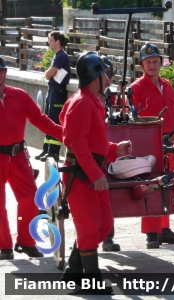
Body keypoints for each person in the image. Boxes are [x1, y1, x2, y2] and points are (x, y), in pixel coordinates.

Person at [59, 51, 131, 294]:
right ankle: (91, 281)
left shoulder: (91, 101)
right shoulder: (82, 103)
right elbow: (78, 145)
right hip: (81, 175)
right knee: (90, 228)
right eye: (104, 75)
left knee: (103, 225)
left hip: (91, 171)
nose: (108, 80)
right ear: (93, 77)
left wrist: (113, 150)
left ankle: (73, 271)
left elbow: (93, 143)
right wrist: (96, 175)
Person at [0, 56, 63, 260]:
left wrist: (64, 134)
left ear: (5, 73)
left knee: (30, 198)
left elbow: (40, 120)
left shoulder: (19, 96)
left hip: (18, 156)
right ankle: (5, 247)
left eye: (0, 71)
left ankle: (26, 242)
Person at [130, 42, 174, 249]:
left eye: (155, 61)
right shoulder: (135, 89)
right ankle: (151, 233)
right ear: (142, 65)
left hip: (169, 144)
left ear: (161, 63)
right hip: (148, 146)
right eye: (148, 62)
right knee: (152, 186)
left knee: (169, 185)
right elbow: (132, 119)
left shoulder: (168, 85)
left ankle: (164, 228)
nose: (152, 65)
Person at [35, 31, 71, 162]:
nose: (48, 42)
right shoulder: (57, 56)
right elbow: (50, 74)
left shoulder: (61, 56)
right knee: (48, 120)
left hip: (58, 92)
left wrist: (49, 73)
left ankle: (53, 152)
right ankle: (46, 149)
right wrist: (50, 73)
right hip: (53, 91)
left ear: (58, 42)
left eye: (51, 39)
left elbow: (48, 75)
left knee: (55, 121)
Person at [100, 55, 121, 252]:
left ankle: (107, 237)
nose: (107, 79)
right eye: (104, 74)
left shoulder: (114, 97)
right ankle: (107, 237)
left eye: (109, 75)